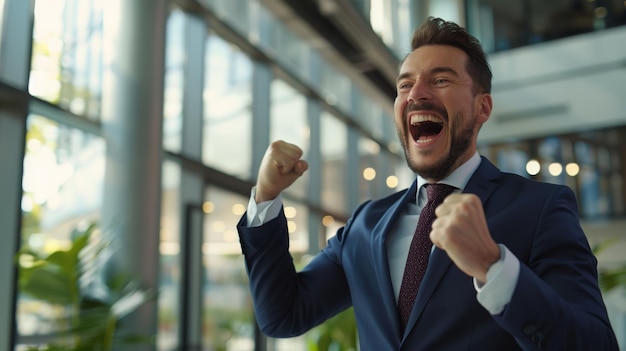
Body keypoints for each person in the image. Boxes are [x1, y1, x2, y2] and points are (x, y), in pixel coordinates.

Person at [236, 17, 619, 350]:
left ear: (482, 107)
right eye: (405, 85)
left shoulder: (540, 208)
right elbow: (282, 316)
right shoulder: (365, 224)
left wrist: (492, 266)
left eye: (440, 79)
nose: (417, 93)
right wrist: (266, 197)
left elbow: (595, 344)